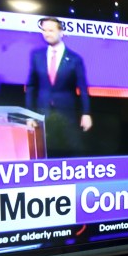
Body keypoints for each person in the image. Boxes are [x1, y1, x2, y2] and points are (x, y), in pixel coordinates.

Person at [25, 16, 92, 157]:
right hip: (42, 113)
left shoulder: (75, 59)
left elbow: (83, 89)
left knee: (71, 151)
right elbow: (31, 86)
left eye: (51, 30)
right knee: (44, 152)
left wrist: (86, 113)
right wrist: (29, 115)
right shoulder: (37, 56)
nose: (47, 33)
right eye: (44, 30)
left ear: (61, 32)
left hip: (67, 113)